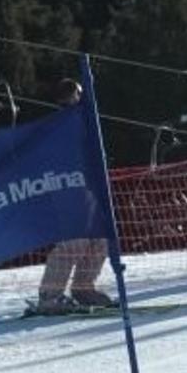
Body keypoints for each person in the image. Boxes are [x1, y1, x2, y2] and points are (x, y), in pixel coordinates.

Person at [36, 78, 113, 311]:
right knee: (74, 242)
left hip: (88, 186)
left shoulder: (86, 118)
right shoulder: (57, 122)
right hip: (64, 187)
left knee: (100, 238)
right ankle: (50, 295)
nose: (73, 100)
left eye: (76, 95)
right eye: (68, 97)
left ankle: (83, 287)